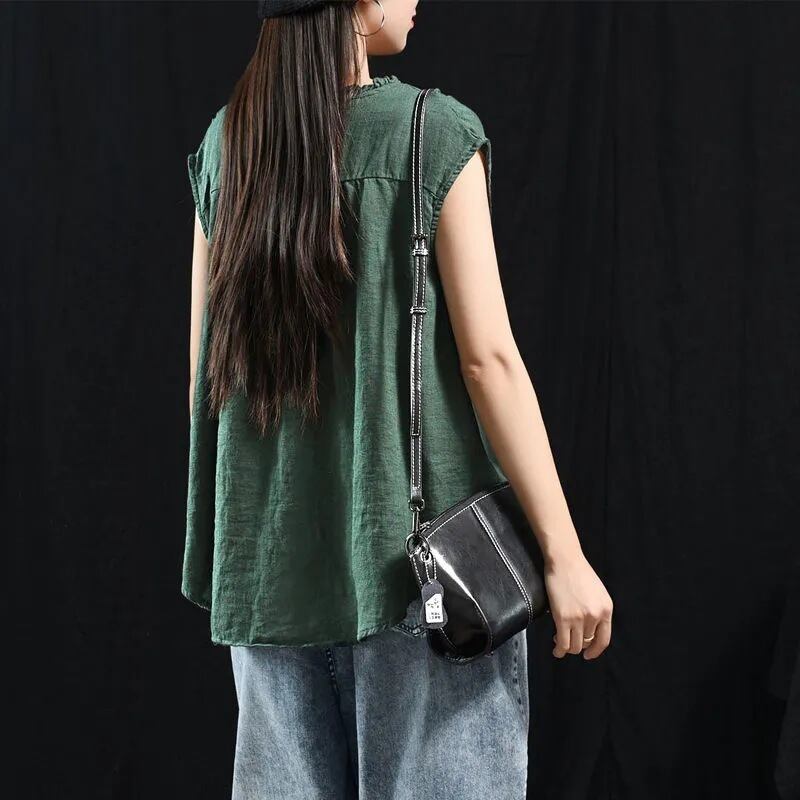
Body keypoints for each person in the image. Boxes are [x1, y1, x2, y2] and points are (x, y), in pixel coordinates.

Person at [183, 1, 614, 798]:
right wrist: (564, 554)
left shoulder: (225, 146)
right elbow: (489, 362)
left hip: (267, 572)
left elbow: (206, 380)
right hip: (424, 575)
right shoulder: (433, 135)